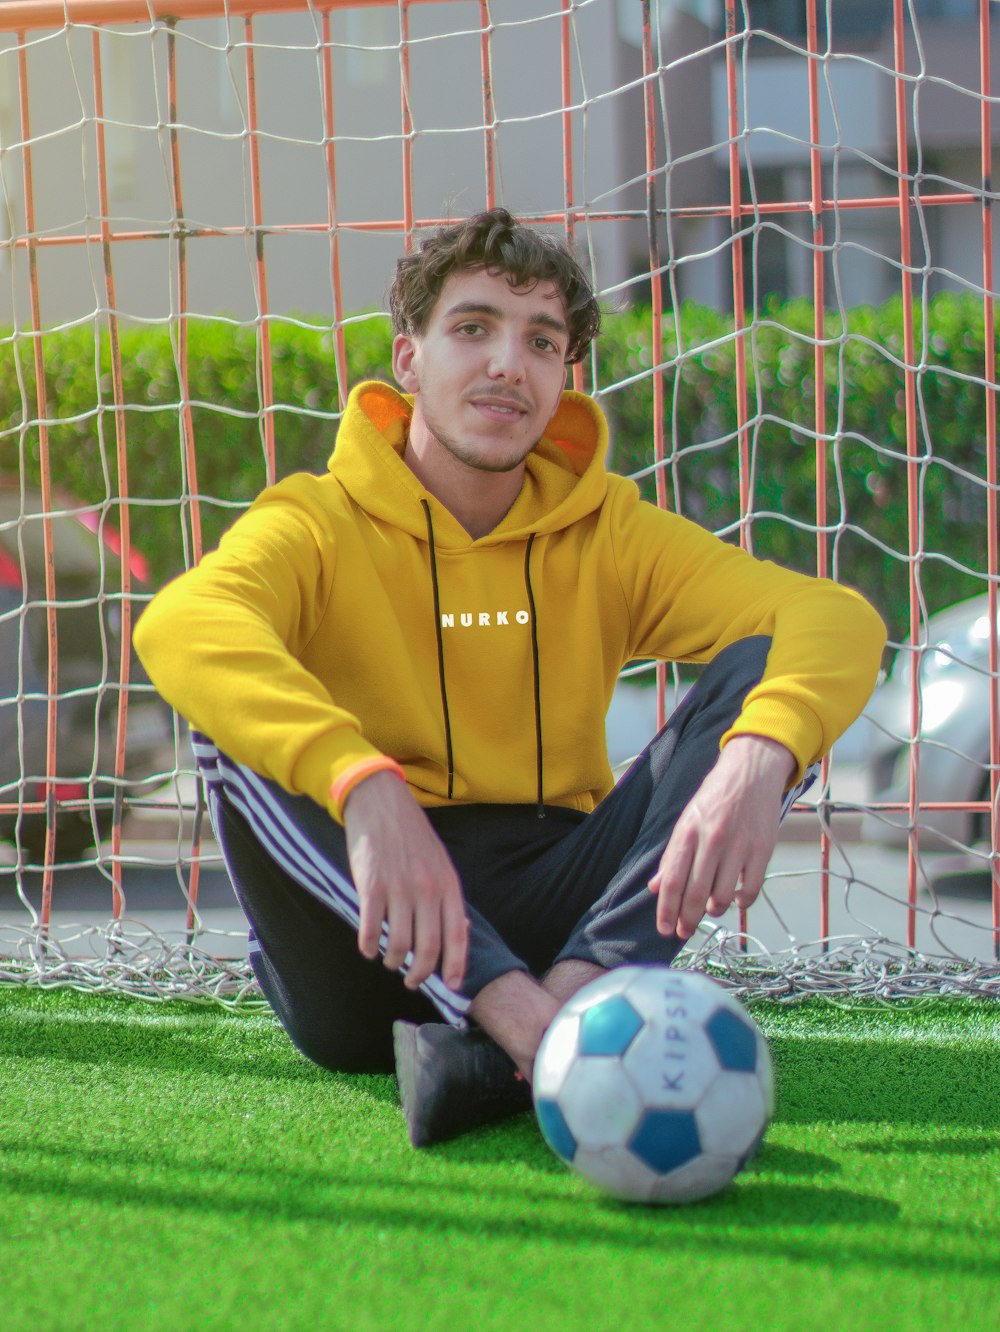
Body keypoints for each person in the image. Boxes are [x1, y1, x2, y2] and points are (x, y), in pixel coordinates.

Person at [134, 207, 886, 1147]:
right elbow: (181, 622)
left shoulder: (608, 532)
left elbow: (834, 618)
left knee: (765, 677)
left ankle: (538, 1026)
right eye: (473, 327)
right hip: (367, 944)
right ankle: (548, 1034)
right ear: (409, 360)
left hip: (561, 912)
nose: (507, 364)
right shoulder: (317, 522)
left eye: (542, 341)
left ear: (563, 376)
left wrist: (763, 756)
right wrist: (362, 786)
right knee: (228, 716)